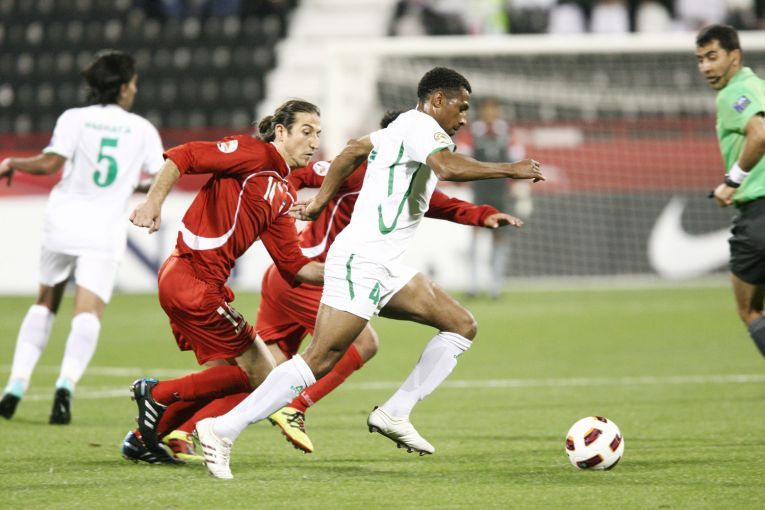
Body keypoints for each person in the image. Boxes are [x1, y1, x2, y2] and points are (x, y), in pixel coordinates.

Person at [194, 66, 544, 479]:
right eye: (461, 106)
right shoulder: (421, 127)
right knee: (320, 359)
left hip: (384, 265)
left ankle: (395, 413)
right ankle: (222, 429)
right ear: (436, 100)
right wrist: (511, 168)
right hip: (361, 260)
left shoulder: (401, 129)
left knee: (461, 324)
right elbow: (448, 168)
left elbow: (352, 150)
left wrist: (320, 201)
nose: (464, 117)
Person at [125, 99, 324, 463]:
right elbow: (183, 156)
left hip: (198, 284)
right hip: (192, 280)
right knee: (262, 374)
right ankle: (156, 394)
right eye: (306, 132)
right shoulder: (253, 154)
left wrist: (347, 272)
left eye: (318, 135)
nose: (313, 143)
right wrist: (153, 202)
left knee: (227, 374)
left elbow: (294, 265)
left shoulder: (283, 194)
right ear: (281, 132)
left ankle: (142, 439)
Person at [0, 50, 164, 425]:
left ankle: (15, 386)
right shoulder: (141, 129)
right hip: (102, 230)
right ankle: (65, 386)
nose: (135, 89)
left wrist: (12, 163)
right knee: (87, 312)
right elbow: (159, 176)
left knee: (45, 302)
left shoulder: (74, 118)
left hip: (62, 222)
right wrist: (135, 188)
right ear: (122, 88)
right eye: (133, 83)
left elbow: (50, 163)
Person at [697, 25, 765, 359]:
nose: (705, 67)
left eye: (713, 57)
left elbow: (760, 134)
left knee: (750, 309)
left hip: (759, 216)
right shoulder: (760, 87)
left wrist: (732, 181)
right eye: (700, 60)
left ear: (734, 56)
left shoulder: (733, 93)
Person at [467, 97, 531, 299]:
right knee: (475, 235)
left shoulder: (508, 132)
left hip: (501, 191)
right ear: (480, 112)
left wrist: (521, 187)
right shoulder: (471, 132)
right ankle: (473, 284)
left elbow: (518, 159)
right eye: (486, 109)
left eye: (493, 109)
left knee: (500, 237)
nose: (490, 113)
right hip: (479, 191)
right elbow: (462, 157)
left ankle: (496, 286)